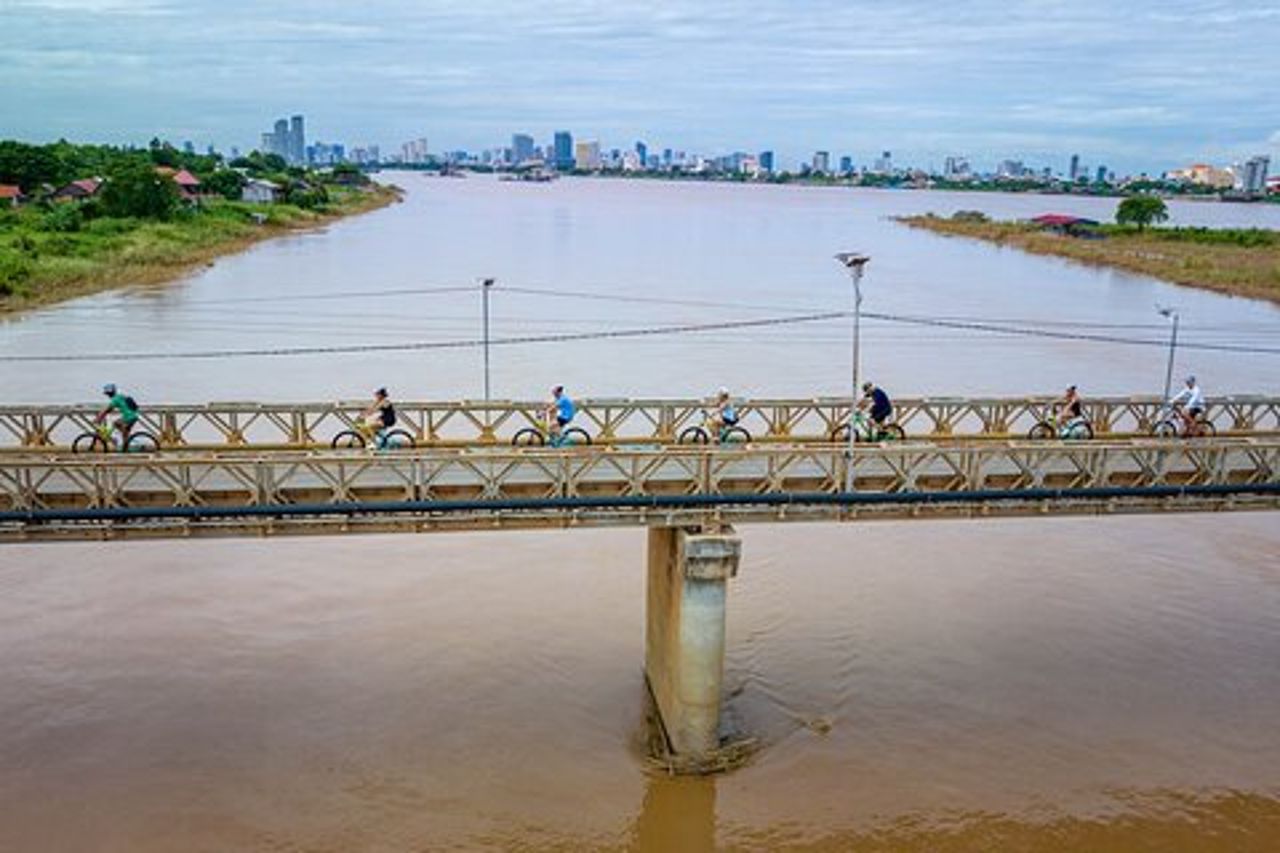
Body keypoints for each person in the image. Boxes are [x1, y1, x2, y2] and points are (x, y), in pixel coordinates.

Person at [96, 383, 139, 448]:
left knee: (116, 424)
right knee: (118, 425)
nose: (107, 395)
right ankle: (126, 441)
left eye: (107, 394)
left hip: (129, 417)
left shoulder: (115, 399)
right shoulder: (120, 396)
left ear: (109, 393)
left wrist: (99, 418)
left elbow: (107, 409)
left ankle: (122, 441)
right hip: (133, 415)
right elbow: (110, 409)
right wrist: (103, 415)